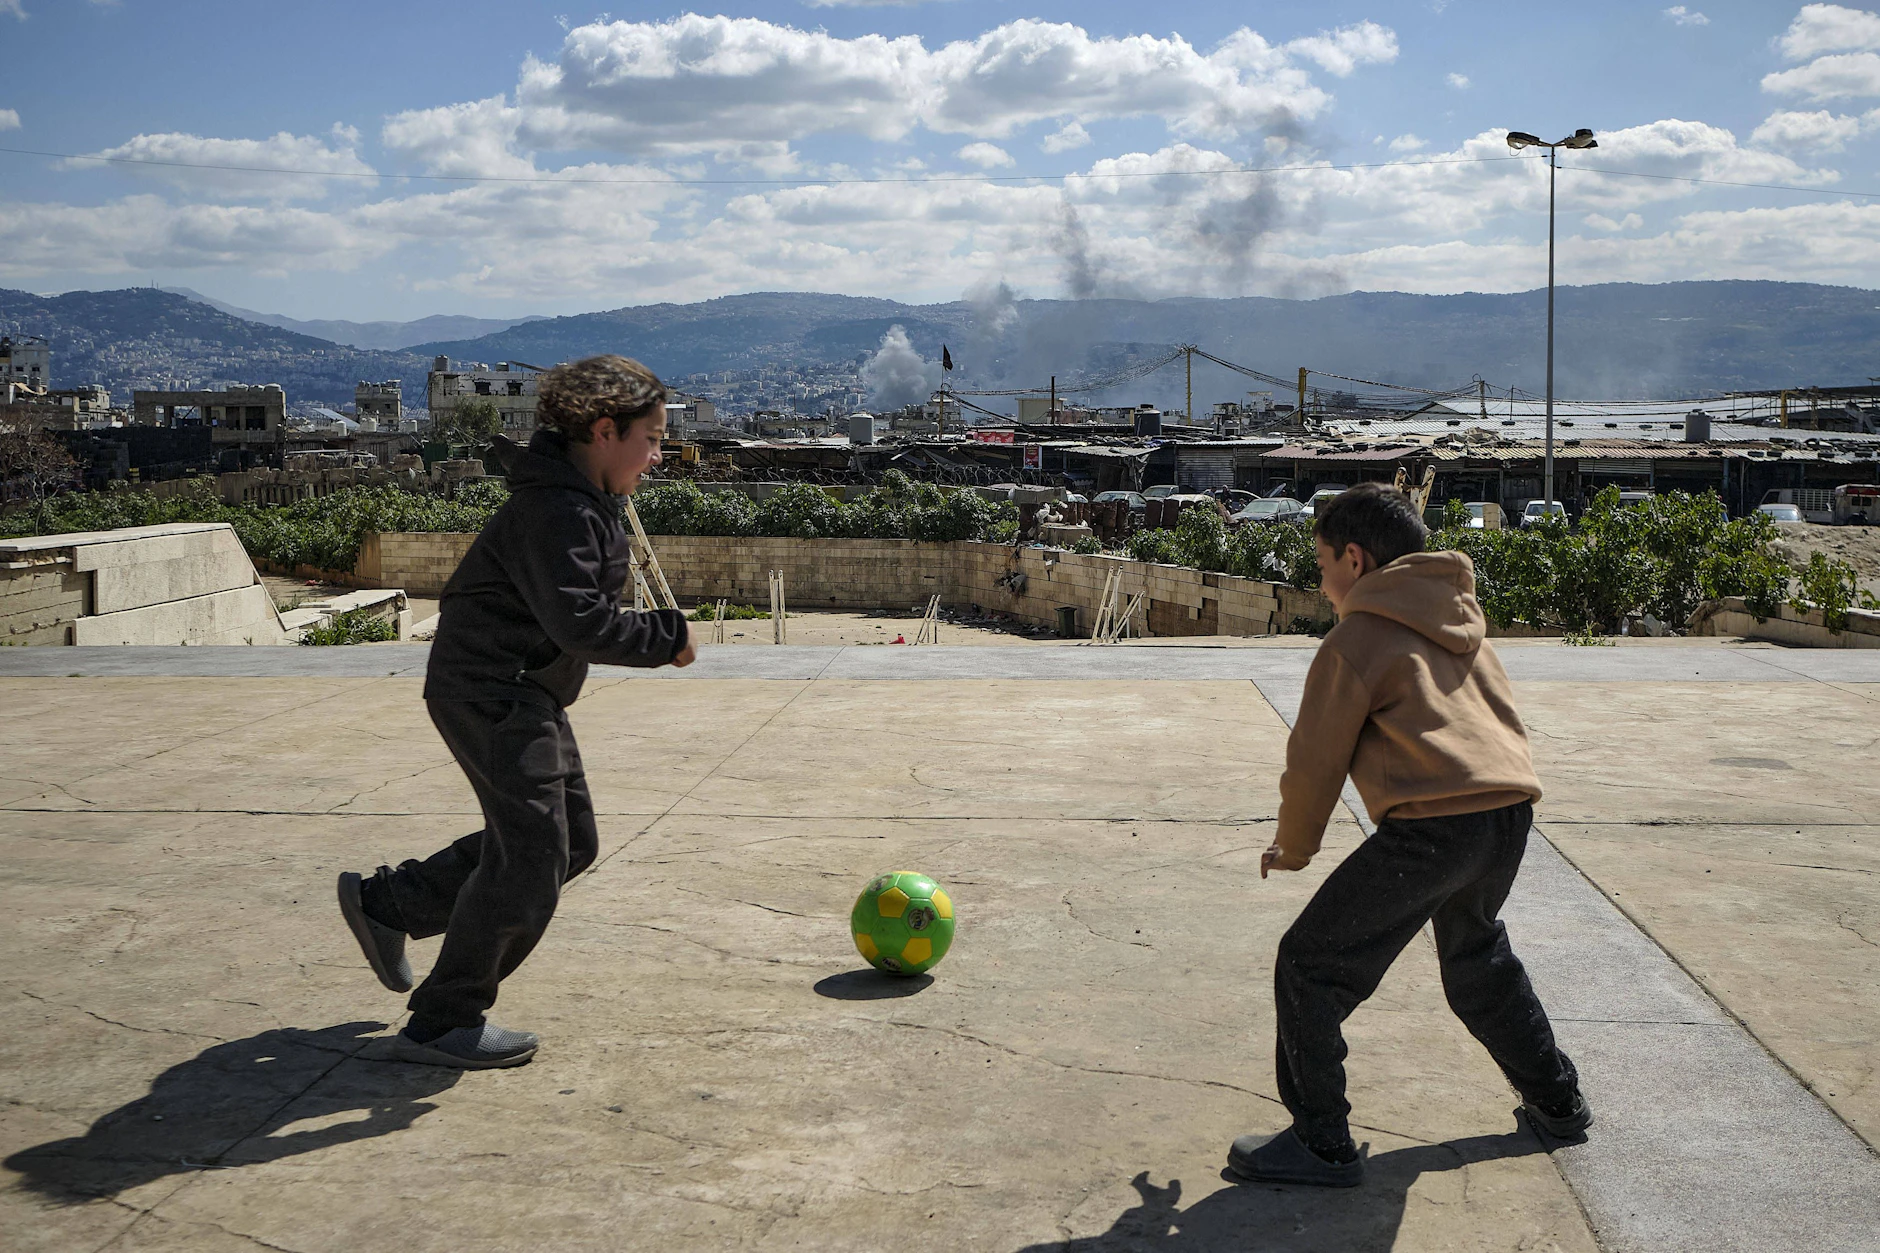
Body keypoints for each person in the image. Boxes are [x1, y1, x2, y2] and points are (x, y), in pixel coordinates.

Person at [336, 355, 694, 1069]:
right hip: (490, 688)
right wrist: (666, 637)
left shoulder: (579, 498)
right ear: (602, 430)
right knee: (532, 855)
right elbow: (581, 625)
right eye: (650, 439)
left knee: (571, 843)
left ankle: (392, 905)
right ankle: (444, 1019)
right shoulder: (555, 509)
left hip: (522, 691)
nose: (657, 457)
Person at [1230, 483, 1588, 1187]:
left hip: (1434, 827)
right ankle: (1558, 1101)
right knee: (1477, 959)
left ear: (1355, 560)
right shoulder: (1463, 623)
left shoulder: (1355, 638)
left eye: (1323, 561)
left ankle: (1321, 1142)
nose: (1321, 579)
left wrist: (1294, 846)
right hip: (1508, 812)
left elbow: (1315, 759)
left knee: (1310, 963)